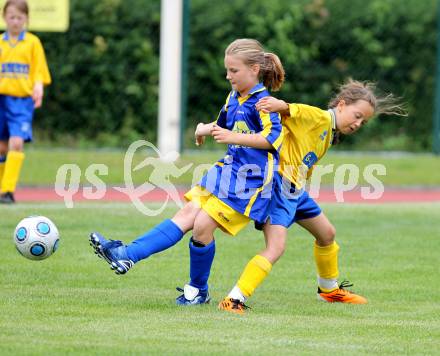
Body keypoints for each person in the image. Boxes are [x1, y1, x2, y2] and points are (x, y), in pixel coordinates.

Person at [89, 38, 285, 305]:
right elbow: (224, 123)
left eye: (234, 71)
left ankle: (196, 290)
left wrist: (231, 137)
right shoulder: (234, 97)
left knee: (202, 226)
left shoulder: (264, 102)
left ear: (254, 69)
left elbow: (272, 139)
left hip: (250, 181)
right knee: (187, 214)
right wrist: (205, 128)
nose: (228, 76)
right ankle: (127, 254)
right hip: (227, 171)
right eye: (227, 70)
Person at [214, 79, 407, 314]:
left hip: (295, 190)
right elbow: (295, 110)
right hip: (280, 186)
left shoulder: (328, 130)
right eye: (357, 115)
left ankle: (329, 290)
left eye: (363, 121)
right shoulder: (321, 118)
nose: (357, 124)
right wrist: (279, 105)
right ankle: (234, 299)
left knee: (327, 234)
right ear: (342, 104)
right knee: (276, 248)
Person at [0, 0, 51, 204]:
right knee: (2, 148)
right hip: (1, 100)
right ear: (5, 18)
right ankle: (1, 189)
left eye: (20, 17)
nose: (15, 21)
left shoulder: (32, 42)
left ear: (26, 19)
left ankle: (7, 191)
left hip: (21, 102)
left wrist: (38, 86)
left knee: (17, 142)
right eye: (11, 17)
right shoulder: (1, 42)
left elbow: (39, 70)